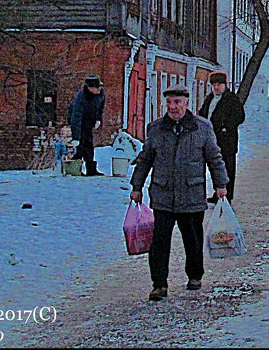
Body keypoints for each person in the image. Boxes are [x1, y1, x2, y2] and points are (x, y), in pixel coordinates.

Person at [130, 85, 229, 302]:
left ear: (186, 103)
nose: (173, 107)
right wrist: (136, 186)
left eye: (177, 102)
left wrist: (221, 184)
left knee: (192, 239)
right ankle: (159, 284)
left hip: (191, 193)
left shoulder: (201, 127)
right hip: (163, 194)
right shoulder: (156, 129)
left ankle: (194, 275)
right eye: (169, 103)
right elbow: (145, 159)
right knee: (159, 242)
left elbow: (214, 157)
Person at [197, 71, 246, 203]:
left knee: (227, 168)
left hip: (226, 141)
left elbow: (239, 116)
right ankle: (217, 192)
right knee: (214, 167)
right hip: (211, 140)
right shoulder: (210, 98)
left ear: (225, 85)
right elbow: (202, 114)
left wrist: (226, 127)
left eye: (219, 84)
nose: (216, 87)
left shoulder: (231, 99)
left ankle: (227, 195)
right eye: (214, 85)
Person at [68, 74, 106, 176]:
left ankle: (91, 169)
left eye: (98, 88)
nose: (97, 91)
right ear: (89, 88)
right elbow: (75, 118)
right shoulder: (81, 99)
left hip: (89, 122)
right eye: (95, 88)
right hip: (78, 122)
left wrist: (98, 119)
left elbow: (100, 108)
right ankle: (75, 169)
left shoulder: (100, 94)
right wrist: (76, 137)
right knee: (80, 145)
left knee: (89, 144)